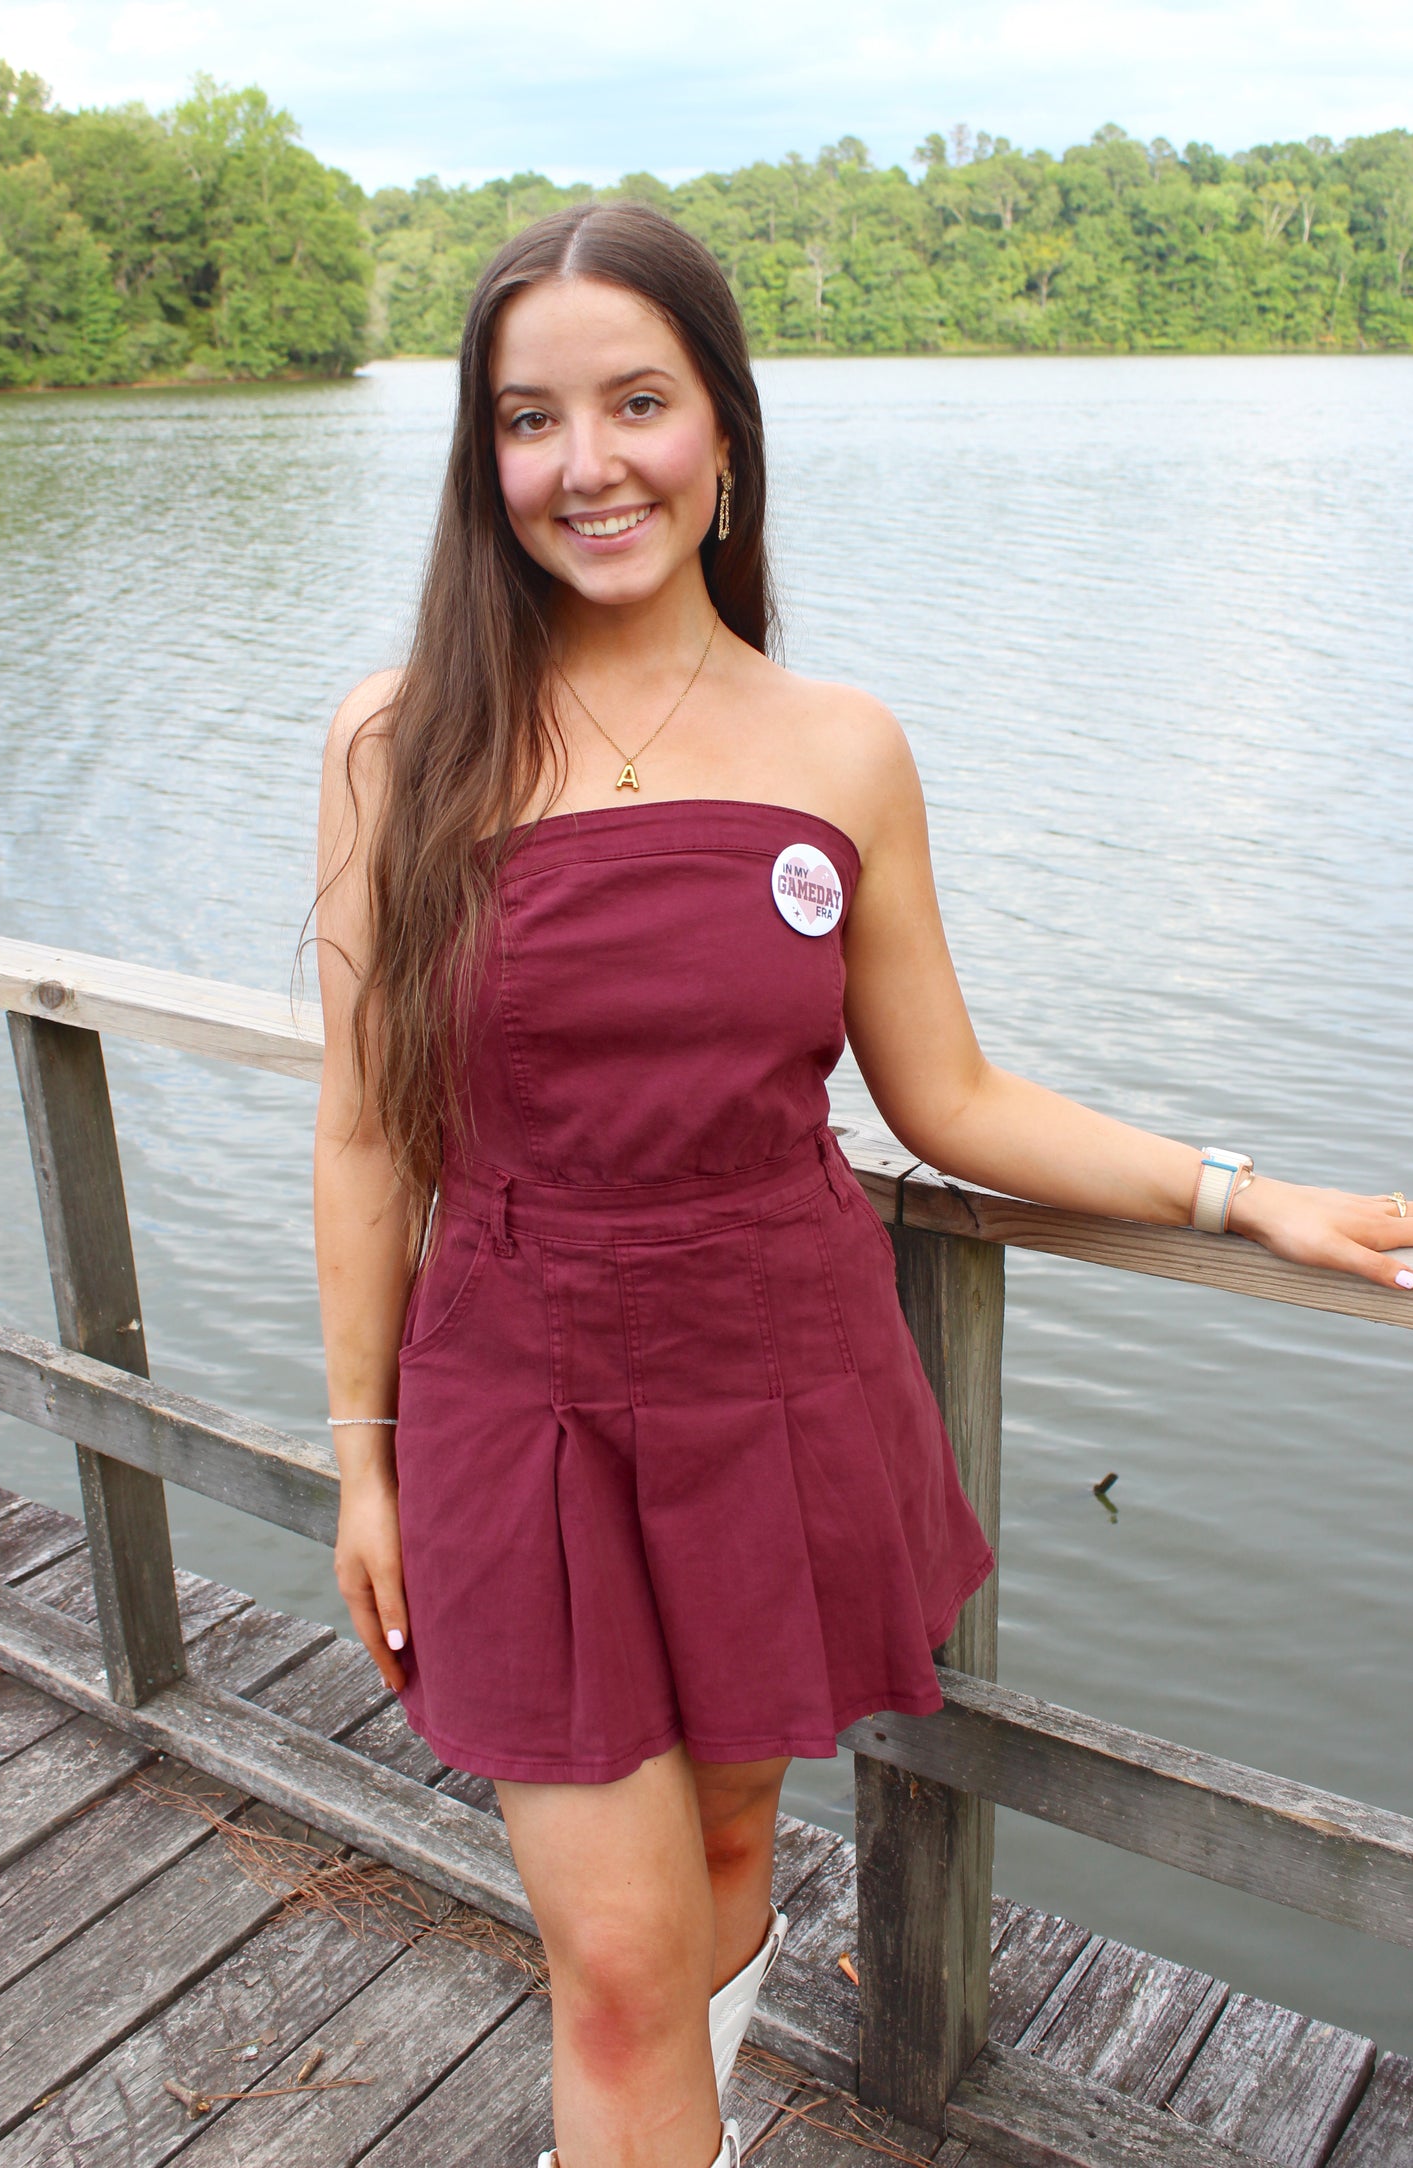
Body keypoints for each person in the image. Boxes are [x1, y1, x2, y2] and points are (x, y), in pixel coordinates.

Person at [311, 203, 1410, 2168]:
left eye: (635, 403)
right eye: (529, 419)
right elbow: (365, 1132)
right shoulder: (403, 744)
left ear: (722, 434)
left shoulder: (841, 748)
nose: (588, 465)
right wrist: (362, 1452)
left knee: (736, 1843)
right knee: (623, 1965)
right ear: (485, 463)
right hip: (513, 1398)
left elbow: (952, 1096)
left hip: (780, 1376)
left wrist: (1237, 1188)